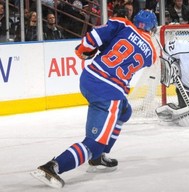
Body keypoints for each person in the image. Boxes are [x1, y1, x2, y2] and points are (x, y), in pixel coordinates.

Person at [30, 10, 158, 188]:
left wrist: (83, 50)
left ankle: (99, 157)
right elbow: (138, 54)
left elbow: (96, 37)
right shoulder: (151, 52)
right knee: (95, 144)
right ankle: (53, 166)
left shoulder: (123, 24)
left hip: (90, 77)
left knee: (125, 111)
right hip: (109, 90)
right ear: (152, 29)